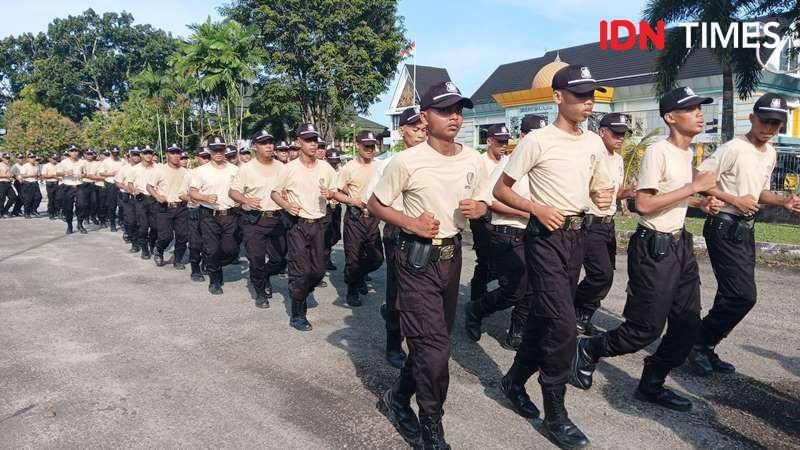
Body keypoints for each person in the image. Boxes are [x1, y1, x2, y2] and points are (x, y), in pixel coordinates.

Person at [571, 86, 721, 415]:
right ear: (670, 117)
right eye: (691, 108)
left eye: (700, 107)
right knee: (644, 330)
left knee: (686, 325)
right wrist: (694, 187)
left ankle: (652, 382)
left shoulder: (686, 153)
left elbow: (672, 197)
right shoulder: (659, 151)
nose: (699, 113)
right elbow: (643, 203)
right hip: (654, 249)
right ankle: (589, 349)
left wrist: (698, 202)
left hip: (680, 245)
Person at [493, 65, 615, 447]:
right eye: (579, 95)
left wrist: (601, 197)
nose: (587, 102)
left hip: (578, 237)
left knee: (545, 321)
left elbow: (596, 190)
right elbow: (501, 189)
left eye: (591, 95)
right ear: (558, 98)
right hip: (544, 238)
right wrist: (535, 208)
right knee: (563, 327)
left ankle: (513, 380)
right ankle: (556, 413)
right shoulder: (538, 141)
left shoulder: (595, 143)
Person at [368, 81, 491, 448]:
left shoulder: (473, 159)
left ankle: (396, 398)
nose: (455, 116)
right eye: (445, 110)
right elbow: (375, 204)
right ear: (425, 117)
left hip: (451, 258)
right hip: (416, 258)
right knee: (436, 349)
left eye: (459, 110)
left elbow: (485, 200)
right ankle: (431, 425)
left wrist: (480, 208)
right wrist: (410, 222)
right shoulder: (406, 161)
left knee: (429, 346)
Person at [687, 93, 800, 376]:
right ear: (752, 118)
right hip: (724, 225)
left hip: (745, 229)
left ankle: (705, 346)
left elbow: (758, 191)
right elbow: (698, 180)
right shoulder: (734, 148)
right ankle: (697, 343)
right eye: (766, 121)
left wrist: (782, 201)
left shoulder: (771, 152)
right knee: (743, 296)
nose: (771, 128)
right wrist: (733, 200)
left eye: (777, 123)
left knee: (731, 294)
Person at [465, 119, 545, 351]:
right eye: (532, 134)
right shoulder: (509, 164)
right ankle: (477, 308)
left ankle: (517, 330)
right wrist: (527, 211)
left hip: (534, 233)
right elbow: (491, 200)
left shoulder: (544, 167)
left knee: (532, 285)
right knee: (511, 285)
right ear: (523, 137)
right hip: (505, 231)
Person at [362, 106, 426, 368]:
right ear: (402, 131)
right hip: (398, 231)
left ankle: (420, 340)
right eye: (415, 129)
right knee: (399, 291)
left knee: (423, 293)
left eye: (424, 129)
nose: (421, 134)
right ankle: (393, 342)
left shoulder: (435, 160)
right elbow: (371, 201)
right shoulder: (388, 164)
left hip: (430, 233)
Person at [573, 113, 637, 335]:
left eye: (623, 134)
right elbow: (577, 187)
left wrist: (627, 192)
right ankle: (571, 307)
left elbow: (611, 194)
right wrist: (591, 195)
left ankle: (582, 316)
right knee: (601, 275)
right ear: (602, 132)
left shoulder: (617, 159)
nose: (620, 138)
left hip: (608, 225)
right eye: (616, 133)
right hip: (589, 224)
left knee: (605, 275)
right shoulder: (592, 155)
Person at [270, 123, 337, 331]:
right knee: (300, 271)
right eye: (308, 140)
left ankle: (300, 291)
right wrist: (287, 205)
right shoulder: (289, 169)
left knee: (317, 271)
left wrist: (331, 197)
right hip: (297, 225)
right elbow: (275, 193)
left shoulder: (326, 167)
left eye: (315, 140)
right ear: (298, 142)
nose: (312, 144)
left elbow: (334, 193)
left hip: (319, 225)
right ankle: (298, 313)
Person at [229, 130, 287, 308]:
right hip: (255, 221)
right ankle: (260, 291)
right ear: (254, 147)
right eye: (264, 143)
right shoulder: (246, 169)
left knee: (280, 260)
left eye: (271, 142)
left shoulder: (282, 167)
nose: (269, 146)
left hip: (278, 219)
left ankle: (266, 275)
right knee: (256, 259)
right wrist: (246, 200)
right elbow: (232, 192)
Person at [332, 130, 384, 307]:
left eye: (372, 146)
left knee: (377, 258)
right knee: (353, 259)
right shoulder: (349, 168)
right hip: (355, 219)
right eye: (366, 145)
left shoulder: (380, 166)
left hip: (373, 219)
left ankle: (359, 276)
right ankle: (352, 291)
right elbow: (336, 193)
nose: (370, 149)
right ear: (357, 145)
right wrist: (351, 200)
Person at [190, 135, 240, 295]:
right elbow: (193, 192)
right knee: (212, 250)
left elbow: (242, 189)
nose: (218, 152)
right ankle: (215, 279)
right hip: (209, 215)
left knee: (230, 250)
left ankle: (213, 263)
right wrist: (205, 197)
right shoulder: (200, 171)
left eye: (221, 149)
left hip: (230, 215)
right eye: (215, 149)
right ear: (209, 150)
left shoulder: (235, 170)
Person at [469, 123, 509, 305]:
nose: (504, 145)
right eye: (500, 141)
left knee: (501, 263)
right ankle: (476, 300)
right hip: (483, 218)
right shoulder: (478, 162)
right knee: (485, 261)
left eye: (506, 141)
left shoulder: (509, 162)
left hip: (504, 218)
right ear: (489, 141)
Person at [148, 144, 190, 269]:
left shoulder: (186, 172)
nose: (176, 156)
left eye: (178, 153)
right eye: (172, 153)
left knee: (183, 236)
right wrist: (157, 196)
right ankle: (159, 250)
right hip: (164, 208)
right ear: (167, 154)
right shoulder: (160, 170)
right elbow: (149, 186)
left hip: (181, 207)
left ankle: (177, 259)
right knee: (166, 236)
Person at [129, 146, 160, 258]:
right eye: (146, 153)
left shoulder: (158, 167)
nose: (148, 155)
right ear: (141, 155)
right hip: (140, 199)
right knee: (143, 226)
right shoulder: (134, 169)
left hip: (154, 199)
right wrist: (134, 190)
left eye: (150, 153)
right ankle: (144, 248)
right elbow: (130, 183)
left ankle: (152, 243)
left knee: (155, 226)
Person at [188, 148, 211, 281]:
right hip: (194, 210)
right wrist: (198, 198)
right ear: (197, 158)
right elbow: (182, 193)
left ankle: (207, 262)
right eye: (203, 157)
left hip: (209, 212)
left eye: (208, 157)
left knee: (210, 242)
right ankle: (195, 268)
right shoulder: (191, 174)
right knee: (196, 242)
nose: (206, 160)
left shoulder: (215, 172)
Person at [57, 145, 86, 234]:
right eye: (72, 151)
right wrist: (66, 173)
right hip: (68, 186)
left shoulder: (82, 162)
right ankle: (69, 225)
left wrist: (82, 175)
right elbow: (58, 172)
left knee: (81, 205)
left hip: (79, 185)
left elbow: (85, 173)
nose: (74, 153)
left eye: (76, 151)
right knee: (68, 208)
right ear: (69, 153)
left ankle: (80, 224)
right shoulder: (64, 162)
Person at [100, 148, 124, 231]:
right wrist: (111, 173)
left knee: (122, 205)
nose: (115, 154)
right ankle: (112, 223)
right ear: (111, 153)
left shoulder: (122, 161)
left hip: (120, 184)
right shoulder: (106, 161)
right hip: (110, 184)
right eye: (113, 153)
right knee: (112, 205)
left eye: (116, 153)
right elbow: (101, 173)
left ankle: (121, 221)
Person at [19, 153, 40, 218]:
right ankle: (26, 213)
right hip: (27, 183)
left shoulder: (36, 166)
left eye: (34, 157)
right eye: (31, 157)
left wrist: (38, 176)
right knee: (28, 199)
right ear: (28, 159)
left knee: (38, 197)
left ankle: (33, 209)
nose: (33, 159)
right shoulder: (25, 166)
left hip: (35, 183)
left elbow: (37, 174)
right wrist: (31, 175)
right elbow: (22, 175)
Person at [41, 154, 61, 220]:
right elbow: (44, 176)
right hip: (50, 183)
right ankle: (51, 213)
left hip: (57, 183)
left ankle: (56, 212)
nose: (54, 160)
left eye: (55, 158)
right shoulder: (46, 166)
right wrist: (53, 176)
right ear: (49, 159)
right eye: (53, 158)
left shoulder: (59, 165)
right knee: (51, 199)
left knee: (57, 198)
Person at [0, 152, 17, 217]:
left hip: (8, 183)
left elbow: (10, 175)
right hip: (1, 183)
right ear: (2, 158)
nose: (8, 159)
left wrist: (11, 176)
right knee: (2, 199)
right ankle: (1, 213)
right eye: (6, 158)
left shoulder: (8, 165)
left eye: (8, 158)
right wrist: (6, 176)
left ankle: (5, 210)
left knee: (13, 197)